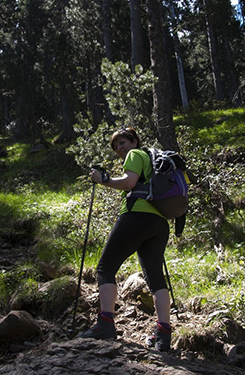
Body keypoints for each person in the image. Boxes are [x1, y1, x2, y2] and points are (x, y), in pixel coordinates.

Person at [78, 127, 172, 352]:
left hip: (136, 217)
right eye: (116, 146)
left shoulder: (135, 155)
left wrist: (103, 179)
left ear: (134, 141)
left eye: (123, 143)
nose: (120, 148)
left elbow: (130, 183)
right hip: (159, 223)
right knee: (155, 278)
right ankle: (164, 333)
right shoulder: (151, 162)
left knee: (105, 268)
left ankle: (106, 324)